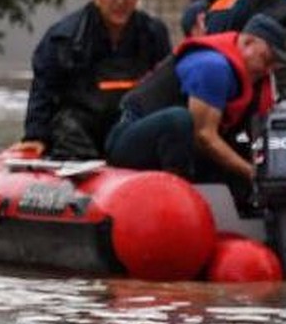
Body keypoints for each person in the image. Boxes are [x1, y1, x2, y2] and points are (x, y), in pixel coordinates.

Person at [105, 13, 286, 202]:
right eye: (266, 60)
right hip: (129, 138)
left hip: (182, 150)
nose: (268, 70)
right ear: (248, 43)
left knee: (238, 151)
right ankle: (178, 201)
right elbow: (204, 136)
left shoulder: (258, 81)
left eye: (275, 65)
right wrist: (252, 172)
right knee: (179, 120)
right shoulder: (213, 66)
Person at [21, 0, 172, 160]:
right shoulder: (65, 37)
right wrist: (35, 135)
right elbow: (44, 89)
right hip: (81, 124)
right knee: (66, 124)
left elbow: (166, 84)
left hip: (128, 122)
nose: (120, 2)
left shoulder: (153, 34)